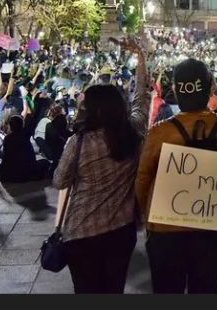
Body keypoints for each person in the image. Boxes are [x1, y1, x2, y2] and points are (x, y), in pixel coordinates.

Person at [136, 58, 217, 294]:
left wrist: (149, 215)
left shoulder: (159, 132)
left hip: (166, 230)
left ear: (176, 90)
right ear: (210, 88)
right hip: (214, 230)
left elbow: (143, 183)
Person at [52, 38, 150, 294]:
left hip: (81, 232)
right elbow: (141, 98)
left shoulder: (78, 142)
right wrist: (141, 58)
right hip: (120, 231)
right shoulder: (132, 132)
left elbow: (59, 181)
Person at [0, 115, 48, 183]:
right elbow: (35, 120)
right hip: (26, 173)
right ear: (21, 125)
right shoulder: (24, 134)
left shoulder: (7, 138)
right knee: (45, 162)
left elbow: (5, 158)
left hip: (10, 174)